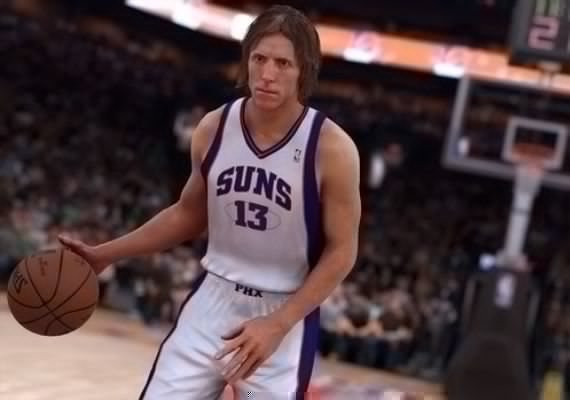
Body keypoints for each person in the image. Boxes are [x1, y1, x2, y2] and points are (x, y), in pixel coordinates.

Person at [58, 5, 361, 399]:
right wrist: (105, 254)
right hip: (213, 297)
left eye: (283, 63)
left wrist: (279, 323)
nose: (267, 74)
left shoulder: (332, 148)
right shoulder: (214, 127)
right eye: (259, 59)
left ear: (305, 69)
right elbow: (188, 214)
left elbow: (342, 251)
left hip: (283, 310)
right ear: (246, 60)